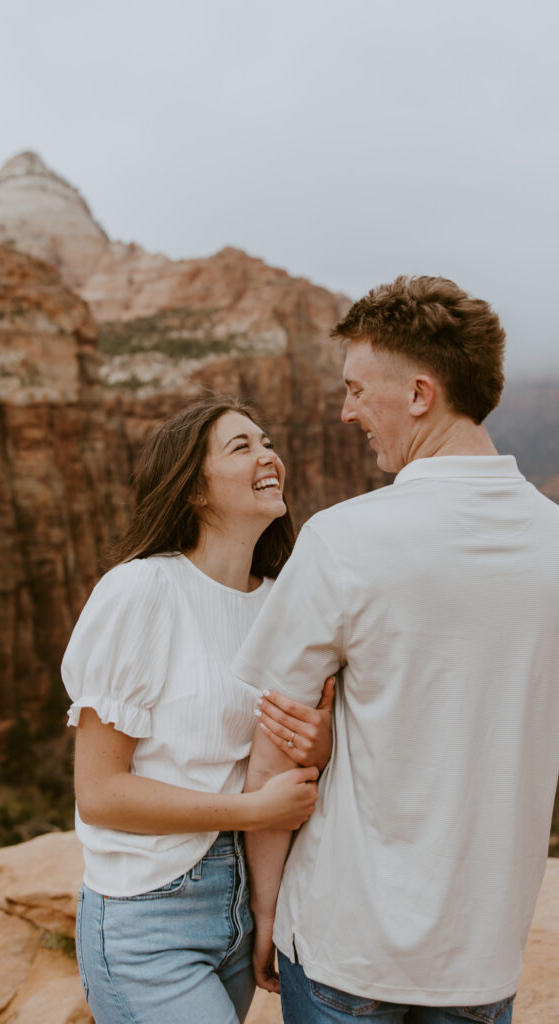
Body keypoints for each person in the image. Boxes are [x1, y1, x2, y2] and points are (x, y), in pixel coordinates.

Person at [234, 276, 559, 1024]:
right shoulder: (553, 544)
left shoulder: (344, 540)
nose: (347, 412)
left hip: (346, 950)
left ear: (419, 394)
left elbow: (275, 746)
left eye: (356, 389)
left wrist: (267, 908)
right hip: (482, 963)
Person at [61, 395, 336, 1024]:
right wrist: (249, 810)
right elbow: (99, 793)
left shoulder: (280, 601)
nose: (269, 456)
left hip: (243, 905)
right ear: (194, 491)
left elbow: (294, 751)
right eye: (242, 447)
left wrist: (318, 748)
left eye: (268, 442)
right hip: (148, 916)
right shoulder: (141, 590)